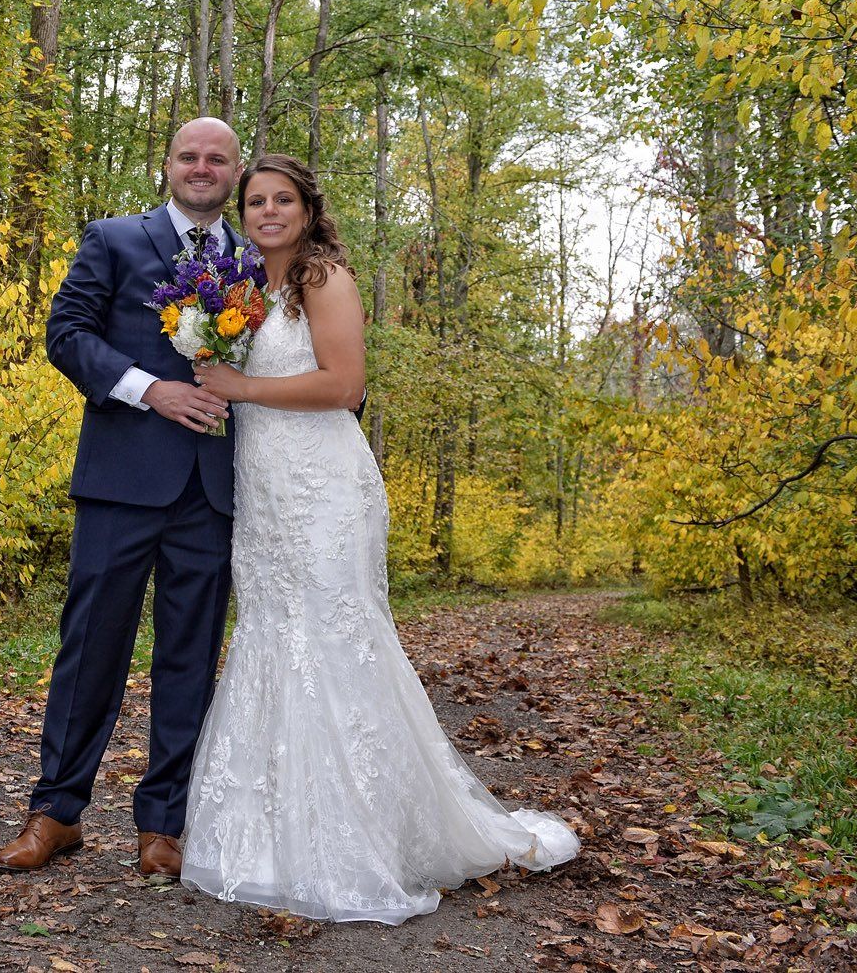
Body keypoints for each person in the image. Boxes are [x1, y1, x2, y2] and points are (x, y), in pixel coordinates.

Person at [180, 154, 579, 924]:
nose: (267, 212)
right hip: (262, 489)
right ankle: (268, 836)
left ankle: (361, 839)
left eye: (282, 200)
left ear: (306, 209)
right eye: (255, 200)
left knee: (332, 636)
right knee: (273, 635)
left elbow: (345, 386)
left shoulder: (323, 280)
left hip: (326, 486)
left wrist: (241, 388)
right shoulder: (239, 290)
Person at [0, 117, 244, 877]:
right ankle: (55, 813)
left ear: (235, 172)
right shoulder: (112, 239)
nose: (201, 168)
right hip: (119, 482)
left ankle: (162, 825)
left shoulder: (258, 257)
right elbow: (66, 333)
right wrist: (149, 391)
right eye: (188, 156)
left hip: (215, 488)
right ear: (165, 166)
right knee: (90, 649)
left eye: (217, 159)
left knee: (190, 657)